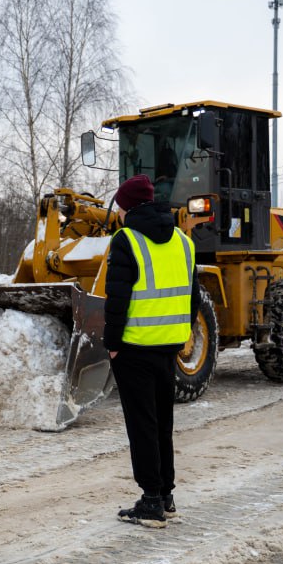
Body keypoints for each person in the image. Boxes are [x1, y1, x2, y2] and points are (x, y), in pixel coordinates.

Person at [102, 174, 200, 528]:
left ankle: (151, 502)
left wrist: (112, 344)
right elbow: (193, 297)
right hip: (168, 347)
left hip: (134, 348)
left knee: (142, 426)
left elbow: (118, 300)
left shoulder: (126, 239)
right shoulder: (183, 241)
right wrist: (180, 334)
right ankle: (167, 496)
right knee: (162, 425)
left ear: (126, 207)